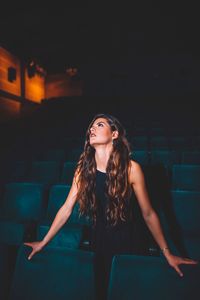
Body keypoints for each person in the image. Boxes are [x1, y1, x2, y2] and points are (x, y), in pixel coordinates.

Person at [24, 113, 198, 300]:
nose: (92, 128)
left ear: (114, 134)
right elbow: (66, 208)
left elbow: (148, 214)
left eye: (99, 125)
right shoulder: (83, 169)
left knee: (127, 291)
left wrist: (167, 254)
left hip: (130, 241)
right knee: (102, 292)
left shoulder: (132, 169)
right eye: (91, 126)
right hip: (99, 241)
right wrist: (43, 242)